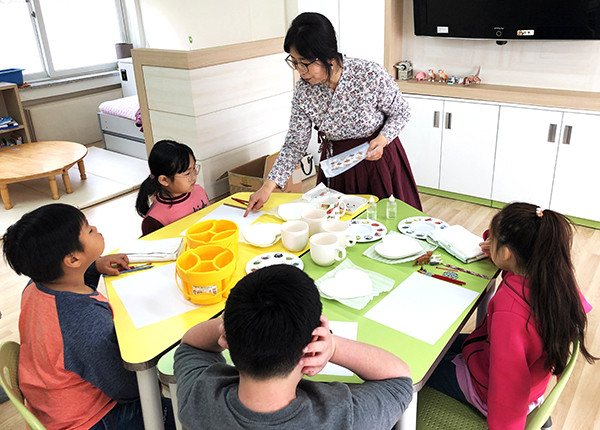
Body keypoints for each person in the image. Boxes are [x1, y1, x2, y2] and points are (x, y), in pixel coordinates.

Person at [174, 265, 413, 429]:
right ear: (311, 349)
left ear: (227, 340)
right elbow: (399, 380)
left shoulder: (198, 398)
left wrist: (232, 323)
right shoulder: (345, 418)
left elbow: (190, 346)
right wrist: (334, 347)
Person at [2, 203, 175, 429]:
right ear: (73, 260)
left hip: (51, 405)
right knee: (178, 411)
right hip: (88, 420)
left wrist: (93, 268)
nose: (95, 228)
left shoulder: (35, 286)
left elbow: (71, 293)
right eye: (89, 230)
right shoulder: (85, 322)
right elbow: (128, 389)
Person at [425, 202, 596, 429]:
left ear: (508, 253)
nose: (487, 242)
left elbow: (507, 385)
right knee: (438, 344)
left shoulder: (510, 312)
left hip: (489, 391)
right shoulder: (555, 278)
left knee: (421, 366)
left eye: (492, 240)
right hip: (532, 378)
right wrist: (494, 243)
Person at [245, 12, 421, 216]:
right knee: (341, 230)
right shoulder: (304, 90)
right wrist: (268, 186)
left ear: (328, 56)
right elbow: (295, 143)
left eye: (305, 62)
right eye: (294, 62)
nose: (300, 71)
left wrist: (383, 139)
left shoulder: (368, 74)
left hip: (377, 161)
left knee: (386, 225)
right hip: (339, 167)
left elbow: (400, 112)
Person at [136, 139, 209, 235]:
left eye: (194, 168)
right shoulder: (154, 220)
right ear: (164, 180)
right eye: (187, 173)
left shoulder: (198, 190)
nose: (194, 176)